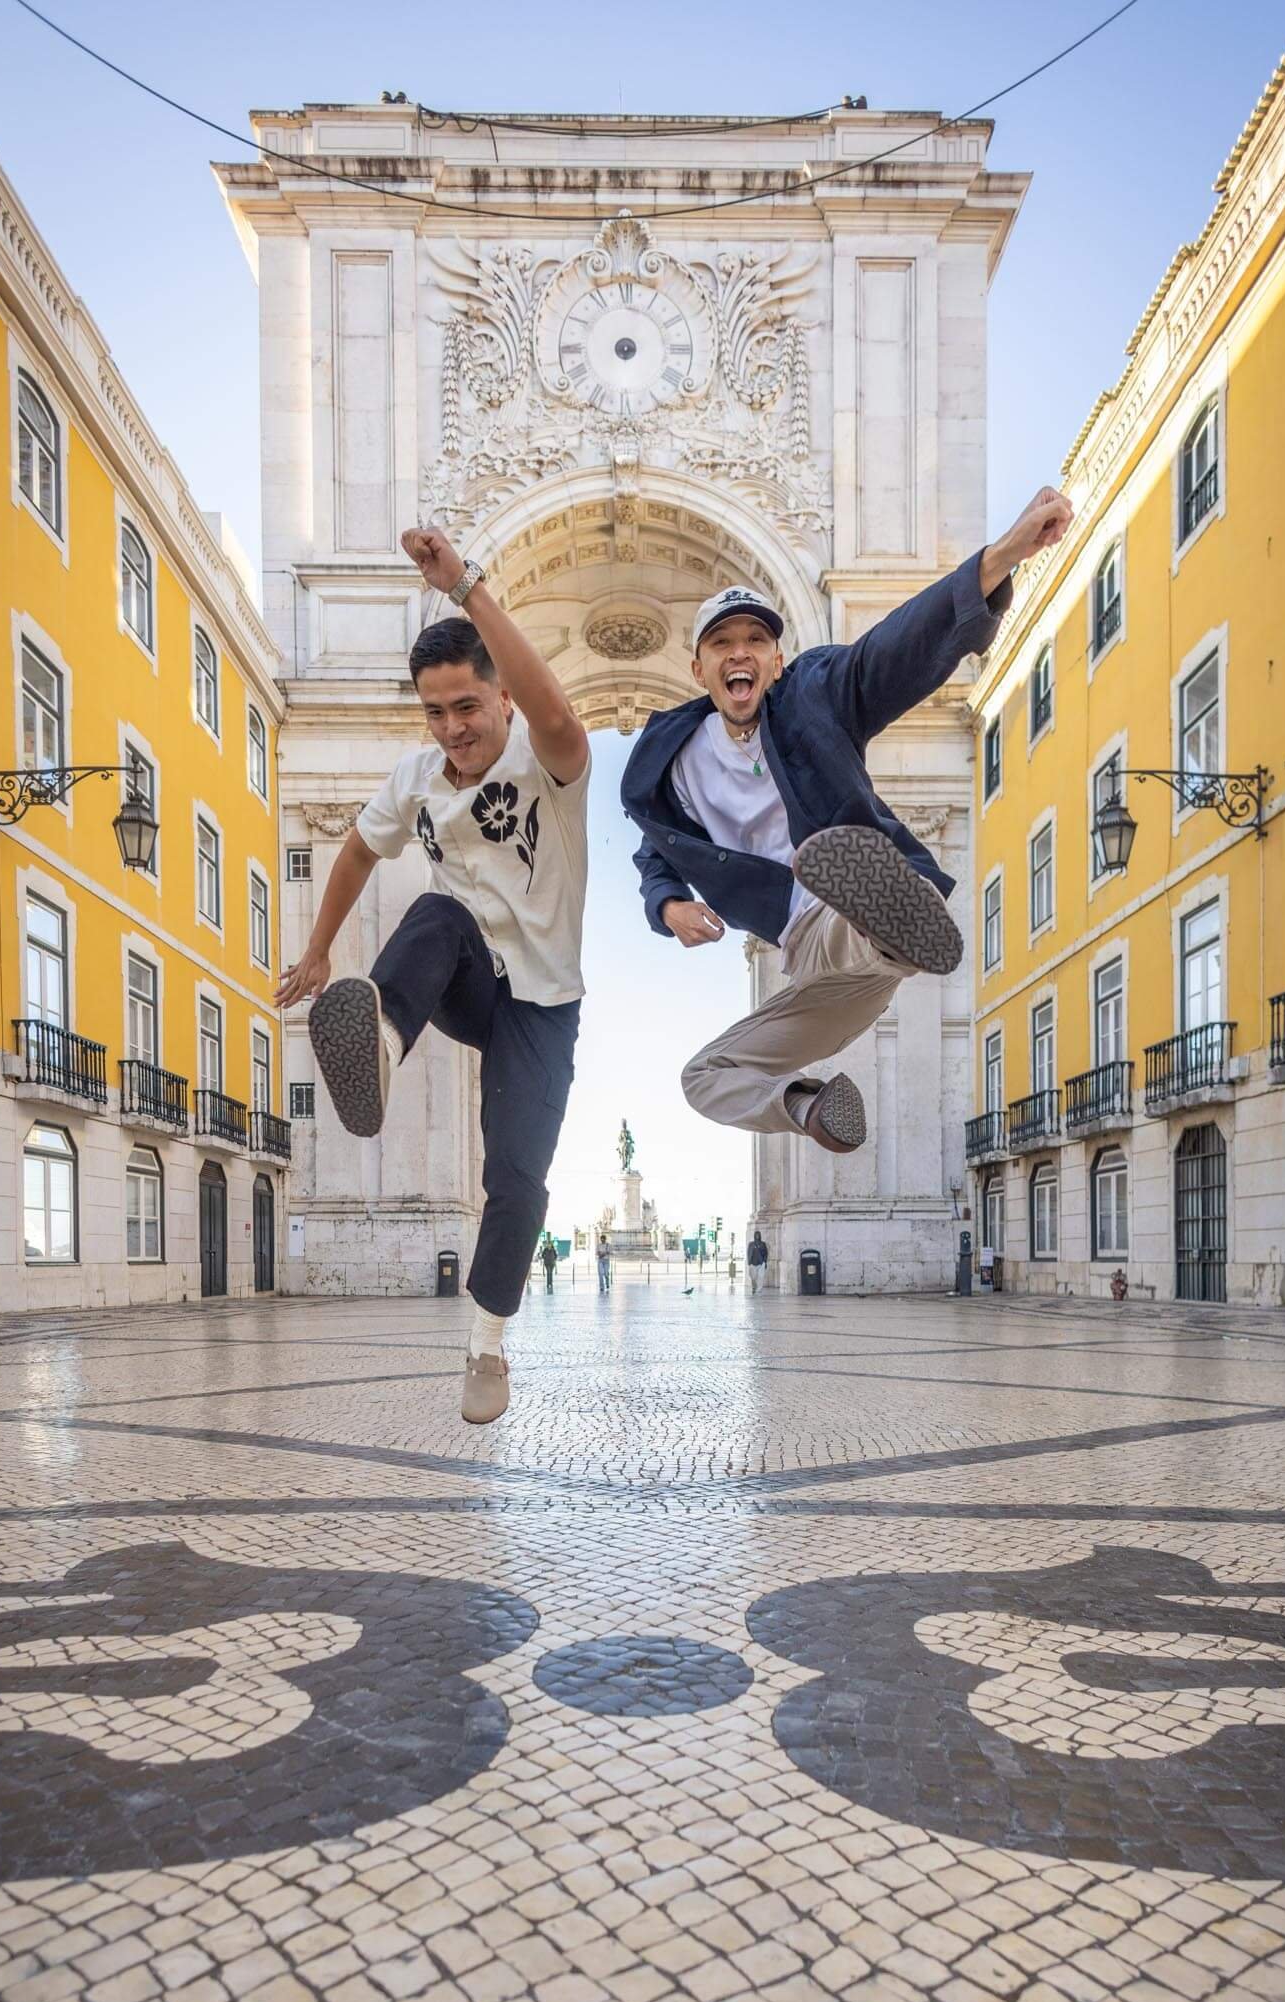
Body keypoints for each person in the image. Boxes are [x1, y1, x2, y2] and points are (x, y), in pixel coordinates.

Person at [622, 491, 1072, 1155]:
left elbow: (894, 650)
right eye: (721, 643)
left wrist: (1001, 556)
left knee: (844, 902)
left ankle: (890, 918)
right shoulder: (674, 761)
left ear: (775, 662)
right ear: (698, 669)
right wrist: (666, 905)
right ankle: (807, 1104)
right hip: (816, 971)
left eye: (755, 641)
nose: (738, 653)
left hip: (841, 913)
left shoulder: (812, 695)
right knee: (704, 1077)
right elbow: (656, 846)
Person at [277, 524, 589, 1425]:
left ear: (501, 698)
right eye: (436, 712)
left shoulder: (551, 763)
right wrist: (320, 947)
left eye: (467, 706)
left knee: (518, 1175)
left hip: (542, 1007)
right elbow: (353, 853)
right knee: (437, 912)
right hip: (466, 979)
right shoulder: (416, 776)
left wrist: (467, 588)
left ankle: (486, 1345)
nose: (453, 729)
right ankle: (378, 1035)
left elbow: (561, 715)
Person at [746, 1227, 768, 1295]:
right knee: (753, 1277)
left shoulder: (763, 1244)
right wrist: (749, 1262)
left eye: (758, 1235)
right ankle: (754, 1287)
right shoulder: (751, 1244)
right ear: (754, 1236)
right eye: (756, 1235)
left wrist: (764, 1261)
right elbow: (748, 1252)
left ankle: (759, 1290)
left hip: (761, 1263)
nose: (757, 1236)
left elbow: (766, 1253)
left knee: (761, 1277)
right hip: (752, 1263)